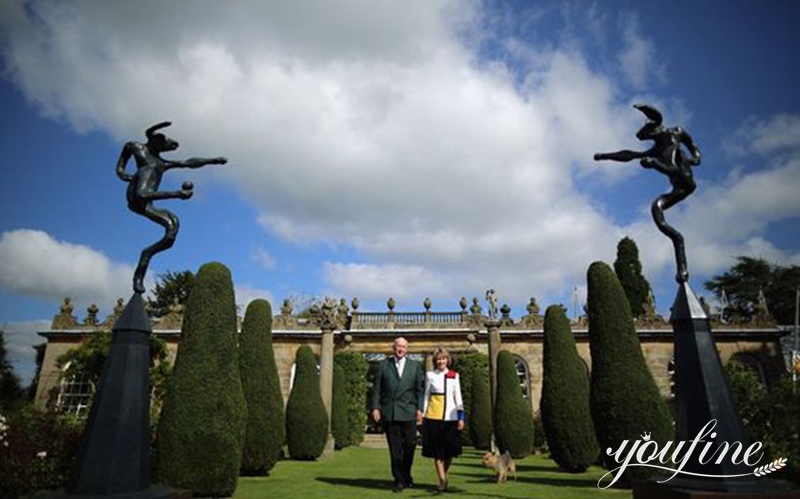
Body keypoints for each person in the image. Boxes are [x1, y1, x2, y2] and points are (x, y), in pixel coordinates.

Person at [116, 121, 227, 293]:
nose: (172, 146)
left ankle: (145, 258)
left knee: (172, 228)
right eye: (166, 143)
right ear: (155, 142)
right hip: (137, 199)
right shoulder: (138, 151)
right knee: (146, 176)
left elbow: (187, 163)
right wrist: (121, 171)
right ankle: (142, 267)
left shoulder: (161, 163)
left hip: (147, 205)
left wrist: (212, 160)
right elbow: (142, 194)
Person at [594, 103, 700, 283]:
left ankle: (678, 248)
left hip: (686, 182)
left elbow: (678, 167)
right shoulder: (656, 150)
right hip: (677, 189)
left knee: (678, 169)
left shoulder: (676, 135)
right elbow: (629, 155)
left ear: (657, 129)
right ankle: (679, 253)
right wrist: (604, 156)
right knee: (656, 209)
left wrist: (696, 156)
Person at [370, 337, 424, 492]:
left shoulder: (414, 366)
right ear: (393, 348)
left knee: (410, 446)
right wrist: (375, 407)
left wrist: (420, 409)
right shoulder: (383, 365)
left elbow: (419, 391)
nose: (400, 349)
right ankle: (399, 480)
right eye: (398, 346)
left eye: (403, 347)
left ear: (407, 349)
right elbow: (377, 389)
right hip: (391, 412)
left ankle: (406, 475)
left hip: (409, 411)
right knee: (395, 449)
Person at [422, 347, 465, 492]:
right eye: (439, 359)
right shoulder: (430, 375)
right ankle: (441, 479)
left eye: (443, 358)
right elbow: (426, 396)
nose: (441, 361)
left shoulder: (454, 375)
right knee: (438, 452)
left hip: (450, 418)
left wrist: (461, 417)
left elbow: (458, 397)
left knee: (449, 452)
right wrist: (422, 414)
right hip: (433, 417)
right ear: (435, 361)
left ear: (447, 360)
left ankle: (444, 475)